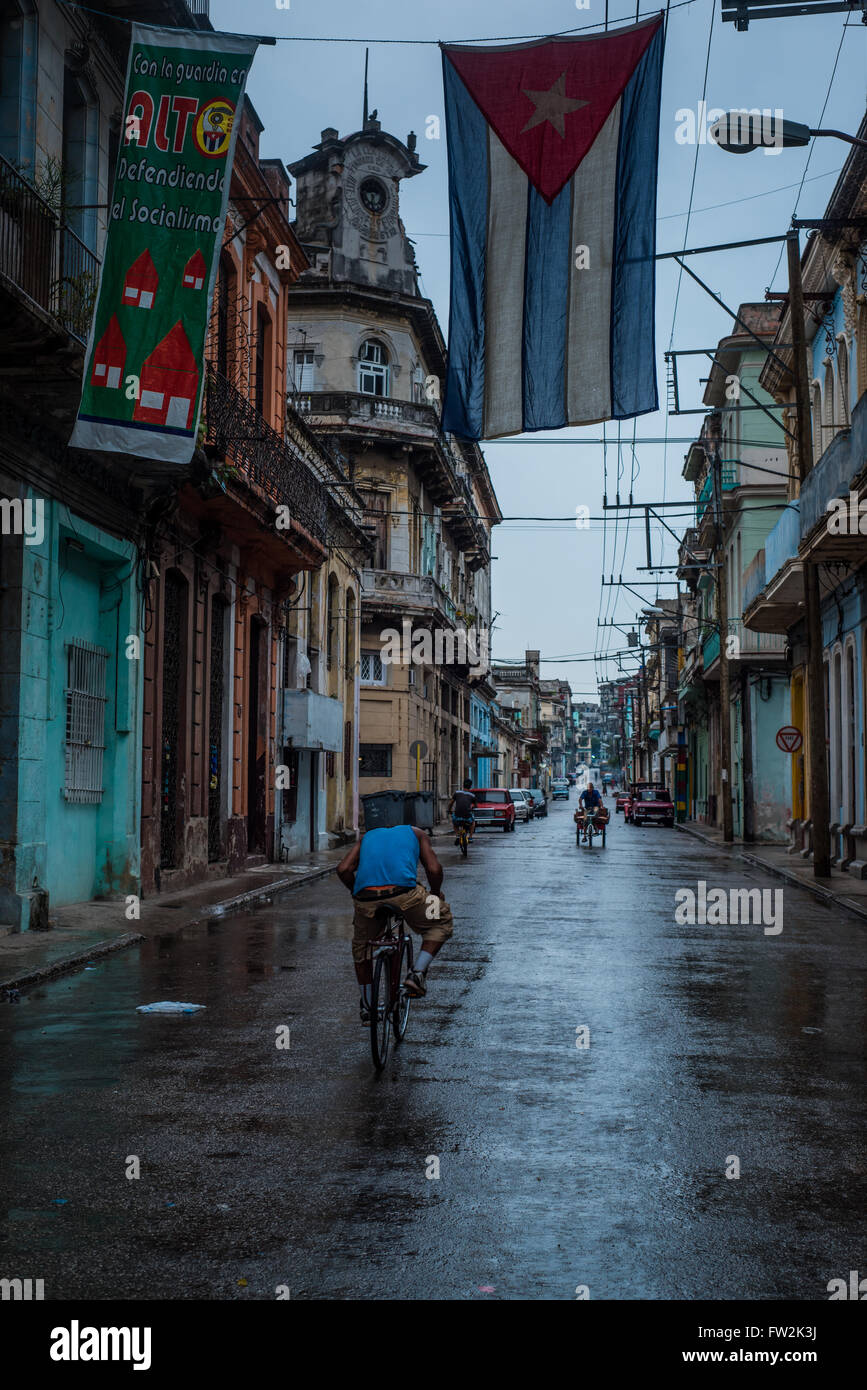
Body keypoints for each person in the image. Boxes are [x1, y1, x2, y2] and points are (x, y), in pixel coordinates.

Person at [337, 824, 454, 1023]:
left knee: (362, 948)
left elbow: (344, 869)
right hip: (405, 895)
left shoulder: (367, 836)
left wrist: (355, 892)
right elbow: (434, 869)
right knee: (440, 922)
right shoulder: (417, 834)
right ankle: (417, 974)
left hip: (366, 899)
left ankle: (367, 1006)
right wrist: (435, 896)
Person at [447, 777, 477, 844]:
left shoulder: (457, 793)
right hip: (467, 816)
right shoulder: (472, 795)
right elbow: (475, 806)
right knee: (473, 823)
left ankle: (457, 835)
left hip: (457, 815)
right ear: (470, 786)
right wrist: (472, 808)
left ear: (463, 785)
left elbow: (451, 803)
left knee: (455, 823)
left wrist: (449, 810)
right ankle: (470, 837)